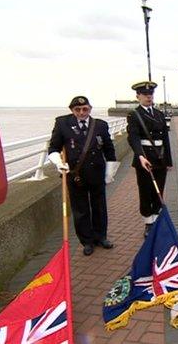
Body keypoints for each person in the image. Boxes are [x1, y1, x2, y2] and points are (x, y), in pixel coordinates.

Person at [48, 96, 116, 256]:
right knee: (81, 210)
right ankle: (87, 241)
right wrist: (59, 163)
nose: (81, 112)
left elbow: (109, 150)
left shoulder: (100, 125)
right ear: (72, 110)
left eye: (85, 109)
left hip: (97, 173)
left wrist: (110, 172)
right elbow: (53, 149)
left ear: (90, 109)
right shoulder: (62, 123)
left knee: (99, 207)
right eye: (77, 109)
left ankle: (101, 237)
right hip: (75, 175)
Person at [127, 81, 173, 237]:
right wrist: (140, 156)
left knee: (158, 190)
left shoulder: (159, 114)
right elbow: (133, 138)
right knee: (146, 191)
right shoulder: (134, 115)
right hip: (145, 158)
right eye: (145, 94)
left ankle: (156, 218)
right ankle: (148, 222)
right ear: (138, 96)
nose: (148, 97)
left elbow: (166, 139)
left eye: (150, 94)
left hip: (160, 158)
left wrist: (169, 160)